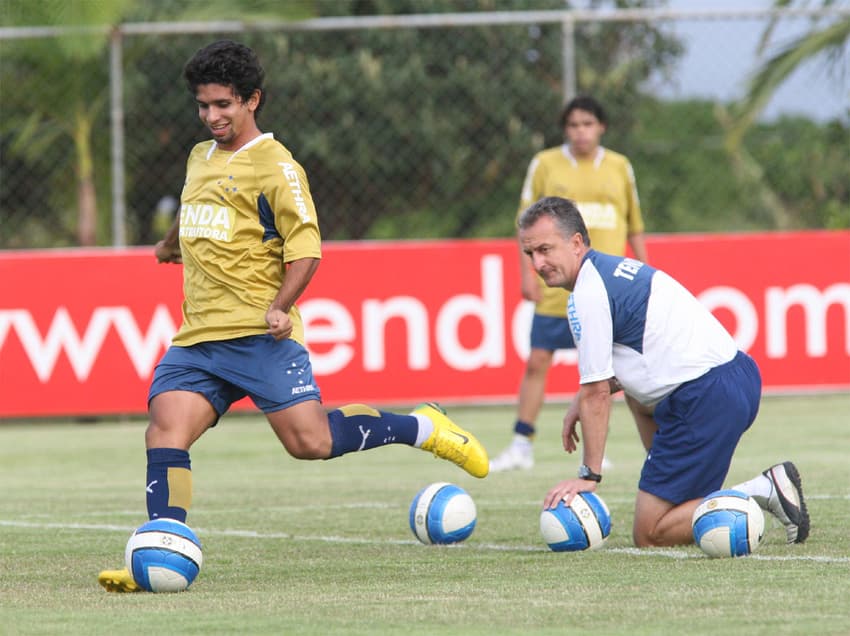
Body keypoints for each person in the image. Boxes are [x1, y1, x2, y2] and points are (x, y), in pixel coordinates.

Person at [98, 40, 488, 593]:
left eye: (224, 105)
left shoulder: (278, 168)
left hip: (260, 334)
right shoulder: (198, 156)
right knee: (165, 432)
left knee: (310, 443)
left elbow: (306, 250)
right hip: (199, 338)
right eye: (203, 105)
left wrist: (281, 307)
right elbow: (194, 211)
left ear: (252, 100)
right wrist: (170, 245)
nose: (212, 116)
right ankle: (160, 551)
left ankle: (422, 426)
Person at [519, 196, 809, 547]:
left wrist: (589, 476)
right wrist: (578, 402)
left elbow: (597, 393)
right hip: (735, 378)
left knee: (651, 532)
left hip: (706, 397)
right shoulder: (609, 271)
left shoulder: (588, 292)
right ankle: (671, 488)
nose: (538, 262)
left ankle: (762, 490)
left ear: (577, 242)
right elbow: (619, 373)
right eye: (530, 254)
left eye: (546, 249)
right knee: (638, 400)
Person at [491, 95, 649, 472]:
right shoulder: (545, 164)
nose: (581, 132)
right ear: (566, 129)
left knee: (608, 371)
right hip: (557, 286)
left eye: (588, 124)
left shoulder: (619, 166)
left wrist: (646, 271)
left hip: (607, 287)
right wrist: (526, 274)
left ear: (601, 127)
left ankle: (598, 449)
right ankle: (520, 445)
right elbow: (523, 225)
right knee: (537, 361)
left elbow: (635, 224)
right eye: (574, 125)